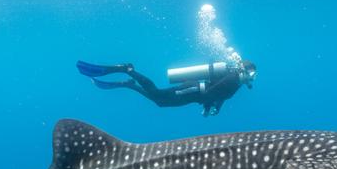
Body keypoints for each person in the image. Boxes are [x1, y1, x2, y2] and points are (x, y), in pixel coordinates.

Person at [76, 58, 256, 116]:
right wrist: (210, 105)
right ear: (244, 71)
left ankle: (129, 84)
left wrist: (214, 107)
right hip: (193, 90)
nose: (252, 78)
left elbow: (219, 94)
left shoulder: (237, 83)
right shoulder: (233, 78)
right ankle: (128, 70)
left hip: (194, 95)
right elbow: (212, 91)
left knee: (159, 102)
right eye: (251, 74)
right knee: (157, 94)